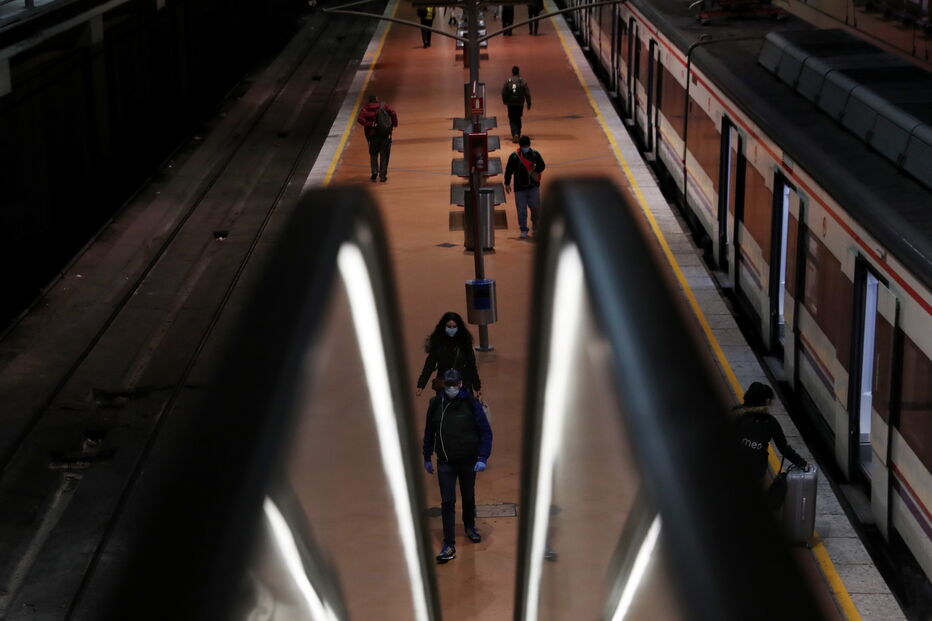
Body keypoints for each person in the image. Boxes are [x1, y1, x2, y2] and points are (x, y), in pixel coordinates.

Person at [423, 368, 493, 563]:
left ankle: (470, 526)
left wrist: (482, 457)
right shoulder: (436, 404)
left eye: (455, 384)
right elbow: (429, 431)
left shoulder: (471, 404)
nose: (451, 388)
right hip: (445, 462)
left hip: (468, 461)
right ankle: (448, 544)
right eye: (448, 384)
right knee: (447, 502)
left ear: (461, 384)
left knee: (468, 496)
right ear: (443, 385)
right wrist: (427, 456)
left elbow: (485, 432)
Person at [734, 382, 808, 506]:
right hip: (755, 469)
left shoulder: (736, 413)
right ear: (767, 401)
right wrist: (802, 463)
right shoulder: (770, 422)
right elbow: (784, 449)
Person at [416, 312, 482, 397]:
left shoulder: (465, 345)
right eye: (449, 327)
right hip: (444, 387)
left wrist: (477, 387)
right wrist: (421, 385)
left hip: (463, 387)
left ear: (459, 328)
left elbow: (472, 367)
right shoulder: (438, 344)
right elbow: (429, 367)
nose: (451, 329)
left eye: (454, 327)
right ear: (444, 327)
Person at [504, 135, 545, 239]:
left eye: (526, 145)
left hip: (533, 187)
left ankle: (535, 222)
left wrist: (535, 170)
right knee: (521, 210)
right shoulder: (514, 157)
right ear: (520, 146)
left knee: (535, 207)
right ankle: (523, 229)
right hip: (519, 188)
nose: (525, 147)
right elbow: (509, 170)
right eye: (524, 146)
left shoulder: (535, 155)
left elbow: (542, 165)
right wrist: (507, 183)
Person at [356, 95, 398, 182]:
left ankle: (374, 171)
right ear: (377, 99)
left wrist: (370, 124)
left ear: (369, 101)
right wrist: (394, 124)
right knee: (384, 155)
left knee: (373, 154)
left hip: (372, 135)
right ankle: (382, 175)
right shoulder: (383, 106)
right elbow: (393, 113)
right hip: (385, 135)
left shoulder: (365, 109)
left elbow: (360, 119)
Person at [501, 66, 531, 142]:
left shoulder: (508, 81)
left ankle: (515, 134)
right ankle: (518, 133)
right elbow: (527, 93)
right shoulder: (522, 81)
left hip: (511, 103)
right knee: (518, 118)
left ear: (512, 72)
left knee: (512, 119)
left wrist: (504, 101)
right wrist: (529, 103)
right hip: (520, 103)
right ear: (518, 72)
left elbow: (503, 92)